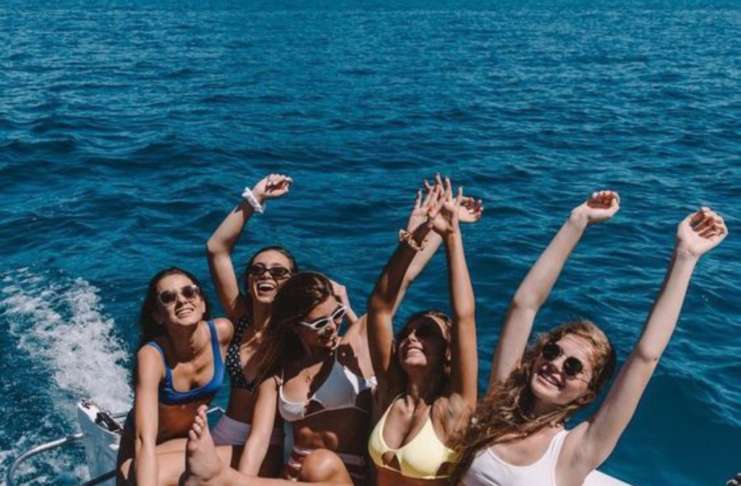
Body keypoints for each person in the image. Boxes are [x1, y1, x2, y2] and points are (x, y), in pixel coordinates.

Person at [451, 193, 727, 486]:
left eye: (572, 367)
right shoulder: (500, 401)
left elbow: (645, 357)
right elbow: (524, 305)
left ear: (587, 395)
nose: (555, 365)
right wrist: (577, 221)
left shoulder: (575, 452)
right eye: (552, 351)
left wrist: (685, 257)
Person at [367, 177, 480, 485]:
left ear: (448, 351)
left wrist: (452, 237)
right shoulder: (391, 392)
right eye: (407, 332)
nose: (412, 337)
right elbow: (380, 307)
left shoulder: (453, 407)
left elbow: (464, 317)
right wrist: (416, 235)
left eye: (426, 332)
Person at [205, 173, 299, 475]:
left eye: (278, 272)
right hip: (225, 430)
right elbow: (216, 248)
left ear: (292, 284)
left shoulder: (296, 333)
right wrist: (255, 198)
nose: (266, 275)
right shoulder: (239, 318)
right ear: (248, 280)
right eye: (257, 270)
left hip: (269, 444)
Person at [116, 267, 233, 486]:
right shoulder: (152, 356)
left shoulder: (222, 333)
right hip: (146, 446)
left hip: (188, 441)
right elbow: (144, 440)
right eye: (168, 297)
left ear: (202, 303)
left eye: (189, 291)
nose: (182, 300)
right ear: (158, 315)